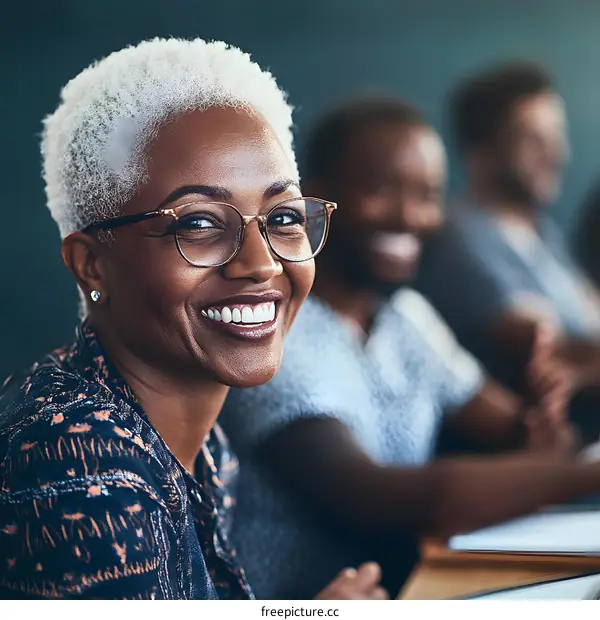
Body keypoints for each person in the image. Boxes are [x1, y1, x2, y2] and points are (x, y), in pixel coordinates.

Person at [0, 38, 388, 600]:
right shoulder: (79, 470)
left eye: (282, 217)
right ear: (93, 265)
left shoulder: (202, 447)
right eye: (199, 225)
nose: (260, 264)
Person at [219, 96, 600, 600]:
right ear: (314, 200)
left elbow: (513, 430)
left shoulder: (406, 318)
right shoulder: (274, 328)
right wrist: (582, 470)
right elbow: (380, 497)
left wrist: (540, 415)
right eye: (381, 189)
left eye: (428, 195)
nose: (409, 216)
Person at [417, 62, 600, 421]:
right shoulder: (463, 240)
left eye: (557, 136)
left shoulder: (542, 232)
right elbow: (550, 352)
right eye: (533, 139)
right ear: (480, 153)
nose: (556, 154)